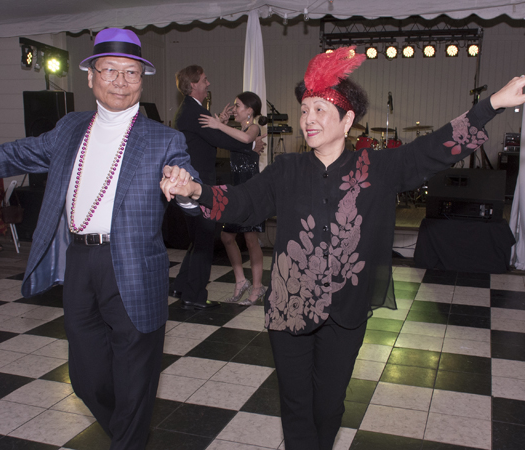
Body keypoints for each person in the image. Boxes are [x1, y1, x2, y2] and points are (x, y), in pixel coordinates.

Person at [160, 48, 525, 450]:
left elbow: (434, 149)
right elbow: (243, 202)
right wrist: (194, 190)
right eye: (305, 110)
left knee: (330, 405)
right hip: (289, 308)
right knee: (296, 405)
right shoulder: (287, 170)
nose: (308, 119)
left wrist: (491, 105)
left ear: (348, 120)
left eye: (320, 109)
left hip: (346, 309)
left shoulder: (377, 168)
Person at [0, 28, 198, 450]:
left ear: (141, 79)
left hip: (134, 265)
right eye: (110, 71)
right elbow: (14, 152)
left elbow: (187, 177)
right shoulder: (70, 128)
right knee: (86, 378)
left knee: (135, 382)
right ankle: (132, 436)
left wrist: (186, 186)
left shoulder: (164, 138)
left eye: (131, 73)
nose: (121, 81)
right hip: (81, 262)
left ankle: (128, 441)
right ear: (90, 77)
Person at [171, 65, 264, 310]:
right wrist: (250, 148)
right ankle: (194, 295)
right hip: (198, 184)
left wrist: (219, 122)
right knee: (203, 240)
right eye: (204, 79)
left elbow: (211, 136)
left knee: (198, 238)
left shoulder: (192, 110)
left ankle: (182, 284)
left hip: (194, 181)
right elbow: (219, 139)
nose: (208, 83)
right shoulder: (194, 112)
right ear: (193, 85)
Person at [198, 91, 268, 305]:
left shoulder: (254, 128)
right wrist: (220, 120)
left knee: (250, 239)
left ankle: (257, 287)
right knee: (227, 237)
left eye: (238, 106)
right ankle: (240, 281)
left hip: (251, 191)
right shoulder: (237, 131)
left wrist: (219, 125)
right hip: (236, 191)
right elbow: (220, 138)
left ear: (250, 110)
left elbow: (247, 138)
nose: (235, 108)